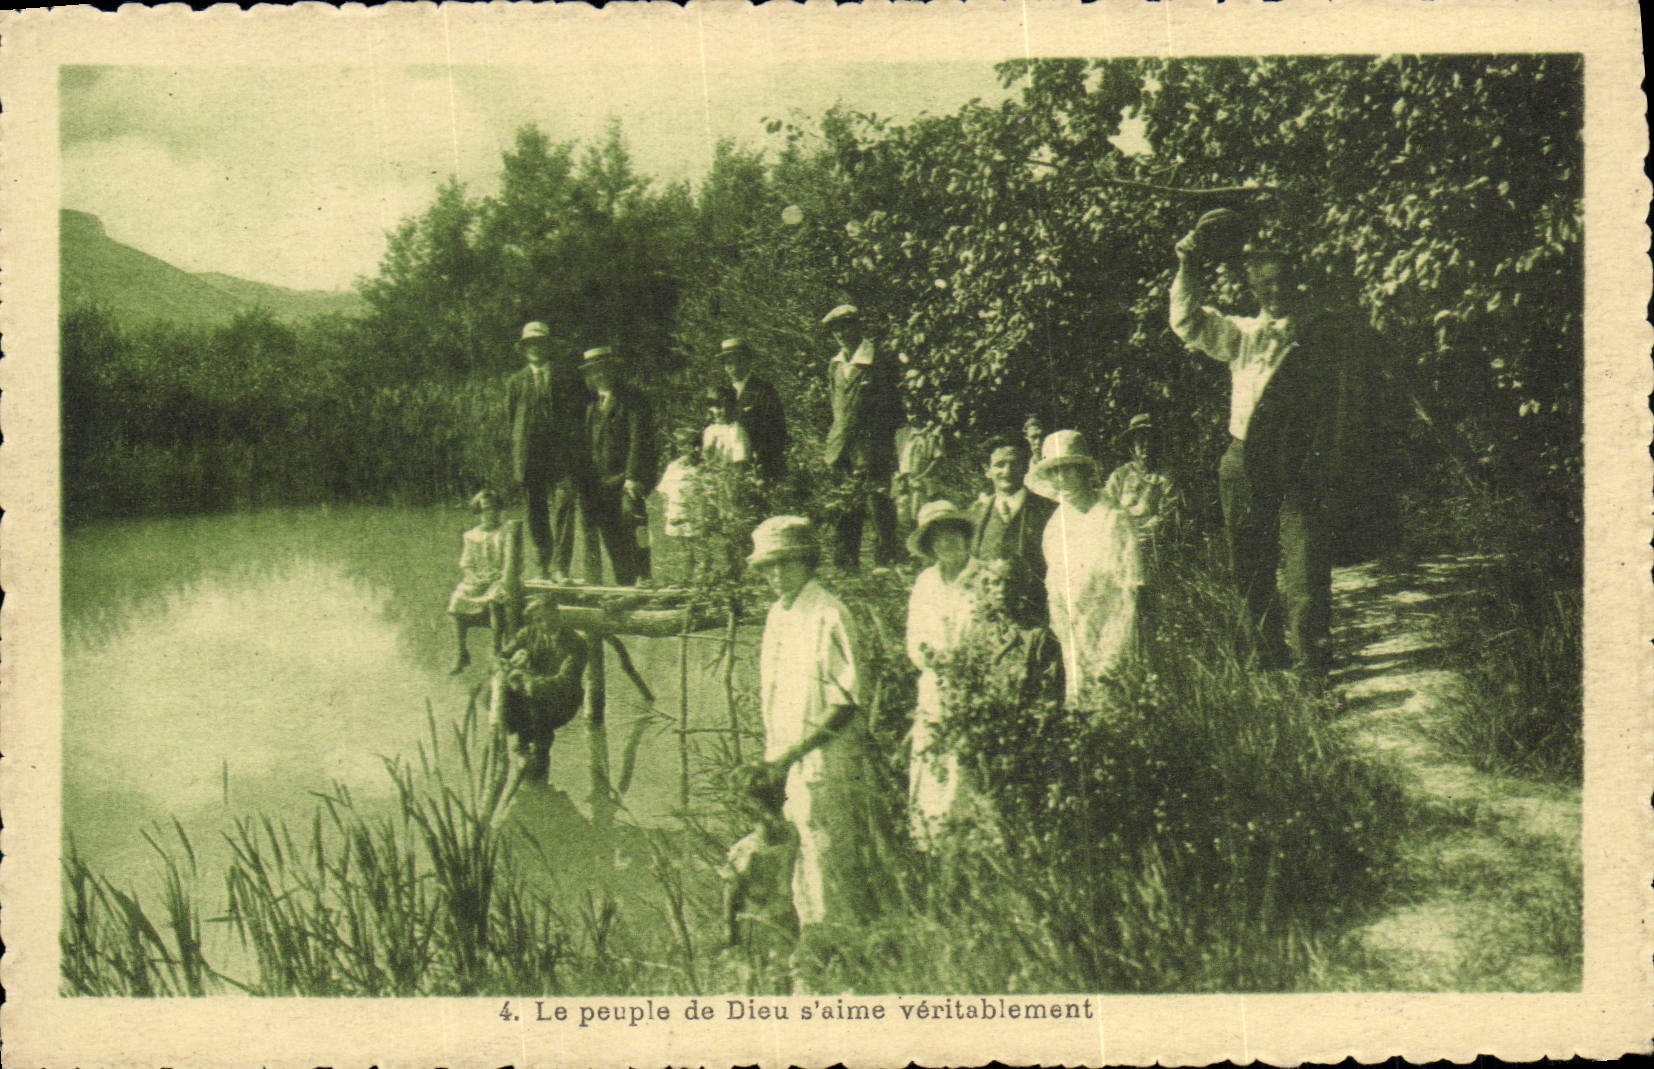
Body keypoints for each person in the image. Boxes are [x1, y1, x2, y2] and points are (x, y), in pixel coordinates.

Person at [1170, 213, 1379, 679]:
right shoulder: (1240, 334)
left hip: (1300, 468)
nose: (1275, 290)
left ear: (1298, 283)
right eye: (1265, 282)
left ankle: (1312, 669)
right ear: (1251, 285)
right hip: (1243, 462)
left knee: (1305, 568)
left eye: (1284, 281)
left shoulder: (1321, 337)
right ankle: (1263, 664)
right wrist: (1187, 262)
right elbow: (1186, 321)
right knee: (1249, 567)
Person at [743, 515, 880, 980]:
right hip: (788, 762)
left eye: (785, 564)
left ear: (806, 562)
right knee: (800, 861)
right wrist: (772, 762)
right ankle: (815, 954)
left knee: (830, 856)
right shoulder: (778, 615)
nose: (775, 575)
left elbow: (846, 700)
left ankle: (845, 960)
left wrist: (791, 754)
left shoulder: (829, 612)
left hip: (826, 760)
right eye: (767, 567)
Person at [1027, 430, 1143, 704]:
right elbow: (1054, 589)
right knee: (1080, 704)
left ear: (1083, 471)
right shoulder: (1055, 525)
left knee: (1114, 701)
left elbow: (1130, 590)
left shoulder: (1111, 517)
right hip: (1073, 635)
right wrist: (1067, 637)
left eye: (1069, 470)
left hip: (1112, 628)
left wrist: (1115, 646)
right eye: (1055, 471)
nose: (1063, 479)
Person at [902, 500, 985, 849]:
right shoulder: (926, 582)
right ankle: (935, 847)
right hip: (935, 688)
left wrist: (965, 662)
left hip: (976, 686)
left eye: (953, 535)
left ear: (966, 538)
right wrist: (930, 658)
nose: (947, 544)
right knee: (934, 763)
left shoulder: (983, 577)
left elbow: (991, 634)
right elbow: (914, 638)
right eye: (939, 539)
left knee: (968, 767)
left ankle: (972, 849)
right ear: (930, 545)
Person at [820, 304, 904, 570]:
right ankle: (846, 562)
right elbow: (836, 409)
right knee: (846, 502)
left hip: (872, 445)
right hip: (841, 446)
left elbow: (893, 408)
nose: (840, 334)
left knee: (877, 501)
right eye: (835, 329)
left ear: (857, 326)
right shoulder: (835, 366)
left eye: (845, 327)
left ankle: (885, 560)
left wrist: (883, 443)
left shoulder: (878, 361)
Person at [506, 321, 589, 579]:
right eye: (530, 344)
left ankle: (560, 567)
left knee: (565, 506)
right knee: (536, 512)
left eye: (540, 343)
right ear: (524, 349)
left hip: (562, 457)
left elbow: (581, 415)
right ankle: (543, 565)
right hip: (531, 457)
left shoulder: (568, 376)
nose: (535, 348)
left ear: (548, 346)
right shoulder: (515, 382)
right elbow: (512, 421)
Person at [580, 345, 658, 586]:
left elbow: (639, 440)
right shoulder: (591, 405)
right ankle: (625, 584)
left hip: (627, 478)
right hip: (601, 483)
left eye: (603, 370)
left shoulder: (632, 399)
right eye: (594, 372)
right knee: (611, 534)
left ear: (613, 370)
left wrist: (633, 476)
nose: (599, 376)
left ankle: (644, 577)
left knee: (634, 524)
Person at [492, 596, 588, 784]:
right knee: (497, 695)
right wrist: (509, 664)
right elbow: (500, 656)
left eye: (544, 618)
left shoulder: (576, 643)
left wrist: (529, 681)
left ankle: (539, 766)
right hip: (531, 690)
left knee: (539, 716)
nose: (540, 624)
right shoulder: (528, 633)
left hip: (562, 699)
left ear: (557, 614)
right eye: (536, 621)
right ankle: (521, 743)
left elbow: (565, 681)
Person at [967, 434, 1056, 628]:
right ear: (987, 470)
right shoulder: (975, 516)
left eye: (1014, 464)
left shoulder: (1049, 511)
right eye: (999, 464)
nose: (1007, 471)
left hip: (1040, 621)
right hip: (991, 623)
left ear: (1025, 467)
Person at [446, 489, 515, 674]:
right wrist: (477, 578)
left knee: (495, 599)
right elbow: (466, 564)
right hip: (478, 581)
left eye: (493, 508)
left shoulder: (506, 531)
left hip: (501, 578)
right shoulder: (470, 535)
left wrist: (499, 576)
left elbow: (511, 561)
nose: (490, 513)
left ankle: (495, 650)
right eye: (485, 509)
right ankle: (461, 652)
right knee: (457, 600)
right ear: (479, 511)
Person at [720, 337, 789, 484]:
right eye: (728, 363)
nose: (733, 367)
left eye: (738, 361)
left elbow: (777, 432)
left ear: (748, 361)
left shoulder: (763, 391)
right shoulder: (723, 393)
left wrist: (762, 466)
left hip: (759, 466)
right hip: (729, 469)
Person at [652, 425, 702, 586]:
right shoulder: (673, 467)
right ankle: (683, 580)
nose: (691, 450)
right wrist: (667, 511)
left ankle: (700, 582)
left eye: (695, 446)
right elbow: (664, 491)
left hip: (696, 515)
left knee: (699, 549)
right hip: (676, 513)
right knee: (681, 549)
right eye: (686, 447)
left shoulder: (703, 468)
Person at [892, 420, 945, 530]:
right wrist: (900, 475)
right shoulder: (902, 437)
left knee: (919, 512)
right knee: (903, 512)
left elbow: (938, 458)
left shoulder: (929, 438)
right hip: (904, 482)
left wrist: (923, 475)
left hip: (921, 482)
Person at [700, 383, 752, 466]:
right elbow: (706, 458)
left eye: (720, 407)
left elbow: (740, 462)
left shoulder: (735, 430)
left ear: (730, 407)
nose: (716, 412)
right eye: (712, 407)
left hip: (728, 474)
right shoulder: (710, 430)